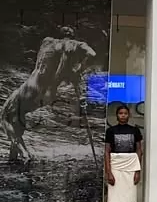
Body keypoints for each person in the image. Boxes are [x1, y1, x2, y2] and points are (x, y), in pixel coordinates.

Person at [1, 26, 97, 164]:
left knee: (5, 116)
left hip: (32, 88)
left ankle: (25, 156)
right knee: (16, 116)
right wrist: (79, 69)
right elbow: (92, 54)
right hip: (49, 94)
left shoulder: (47, 42)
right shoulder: (76, 46)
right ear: (73, 35)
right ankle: (13, 158)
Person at [103, 103, 143, 202]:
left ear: (129, 115)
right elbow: (107, 152)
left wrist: (138, 171)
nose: (123, 116)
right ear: (117, 115)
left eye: (125, 113)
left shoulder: (135, 131)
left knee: (129, 201)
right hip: (116, 167)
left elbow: (139, 150)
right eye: (120, 113)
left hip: (131, 167)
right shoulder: (110, 131)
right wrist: (108, 172)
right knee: (114, 201)